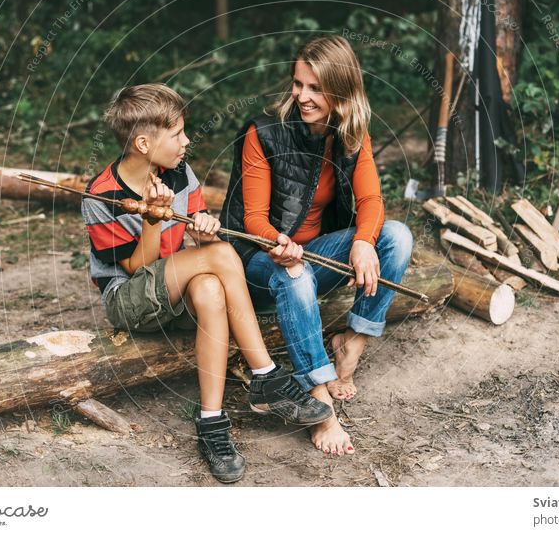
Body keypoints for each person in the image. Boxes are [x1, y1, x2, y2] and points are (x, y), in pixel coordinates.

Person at [81, 83, 332, 483]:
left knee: (211, 287)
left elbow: (206, 255)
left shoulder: (179, 174)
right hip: (128, 300)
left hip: (179, 290)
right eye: (178, 133)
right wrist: (152, 220)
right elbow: (134, 269)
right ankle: (265, 374)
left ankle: (211, 422)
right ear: (144, 143)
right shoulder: (101, 195)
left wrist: (207, 232)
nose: (186, 141)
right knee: (216, 260)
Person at [220, 36, 414, 456]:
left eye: (315, 88)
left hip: (315, 254)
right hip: (257, 259)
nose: (302, 96)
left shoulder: (350, 133)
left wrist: (363, 242)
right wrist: (280, 244)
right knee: (295, 272)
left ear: (340, 91)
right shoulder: (263, 132)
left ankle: (352, 345)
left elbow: (371, 202)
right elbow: (252, 220)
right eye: (297, 84)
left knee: (395, 236)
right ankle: (320, 404)